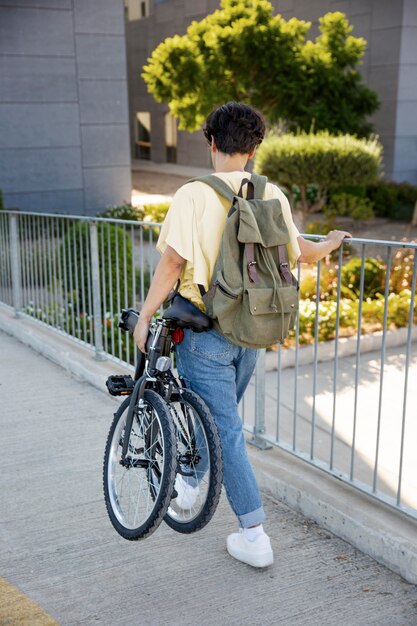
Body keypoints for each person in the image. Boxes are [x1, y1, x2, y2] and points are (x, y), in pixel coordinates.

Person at [134, 102, 351, 568]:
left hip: (205, 329)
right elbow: (302, 253)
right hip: (253, 327)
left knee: (225, 430)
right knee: (220, 423)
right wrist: (332, 242)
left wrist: (144, 316)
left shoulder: (193, 194)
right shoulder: (272, 193)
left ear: (212, 142)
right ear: (254, 148)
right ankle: (193, 481)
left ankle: (254, 533)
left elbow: (172, 264)